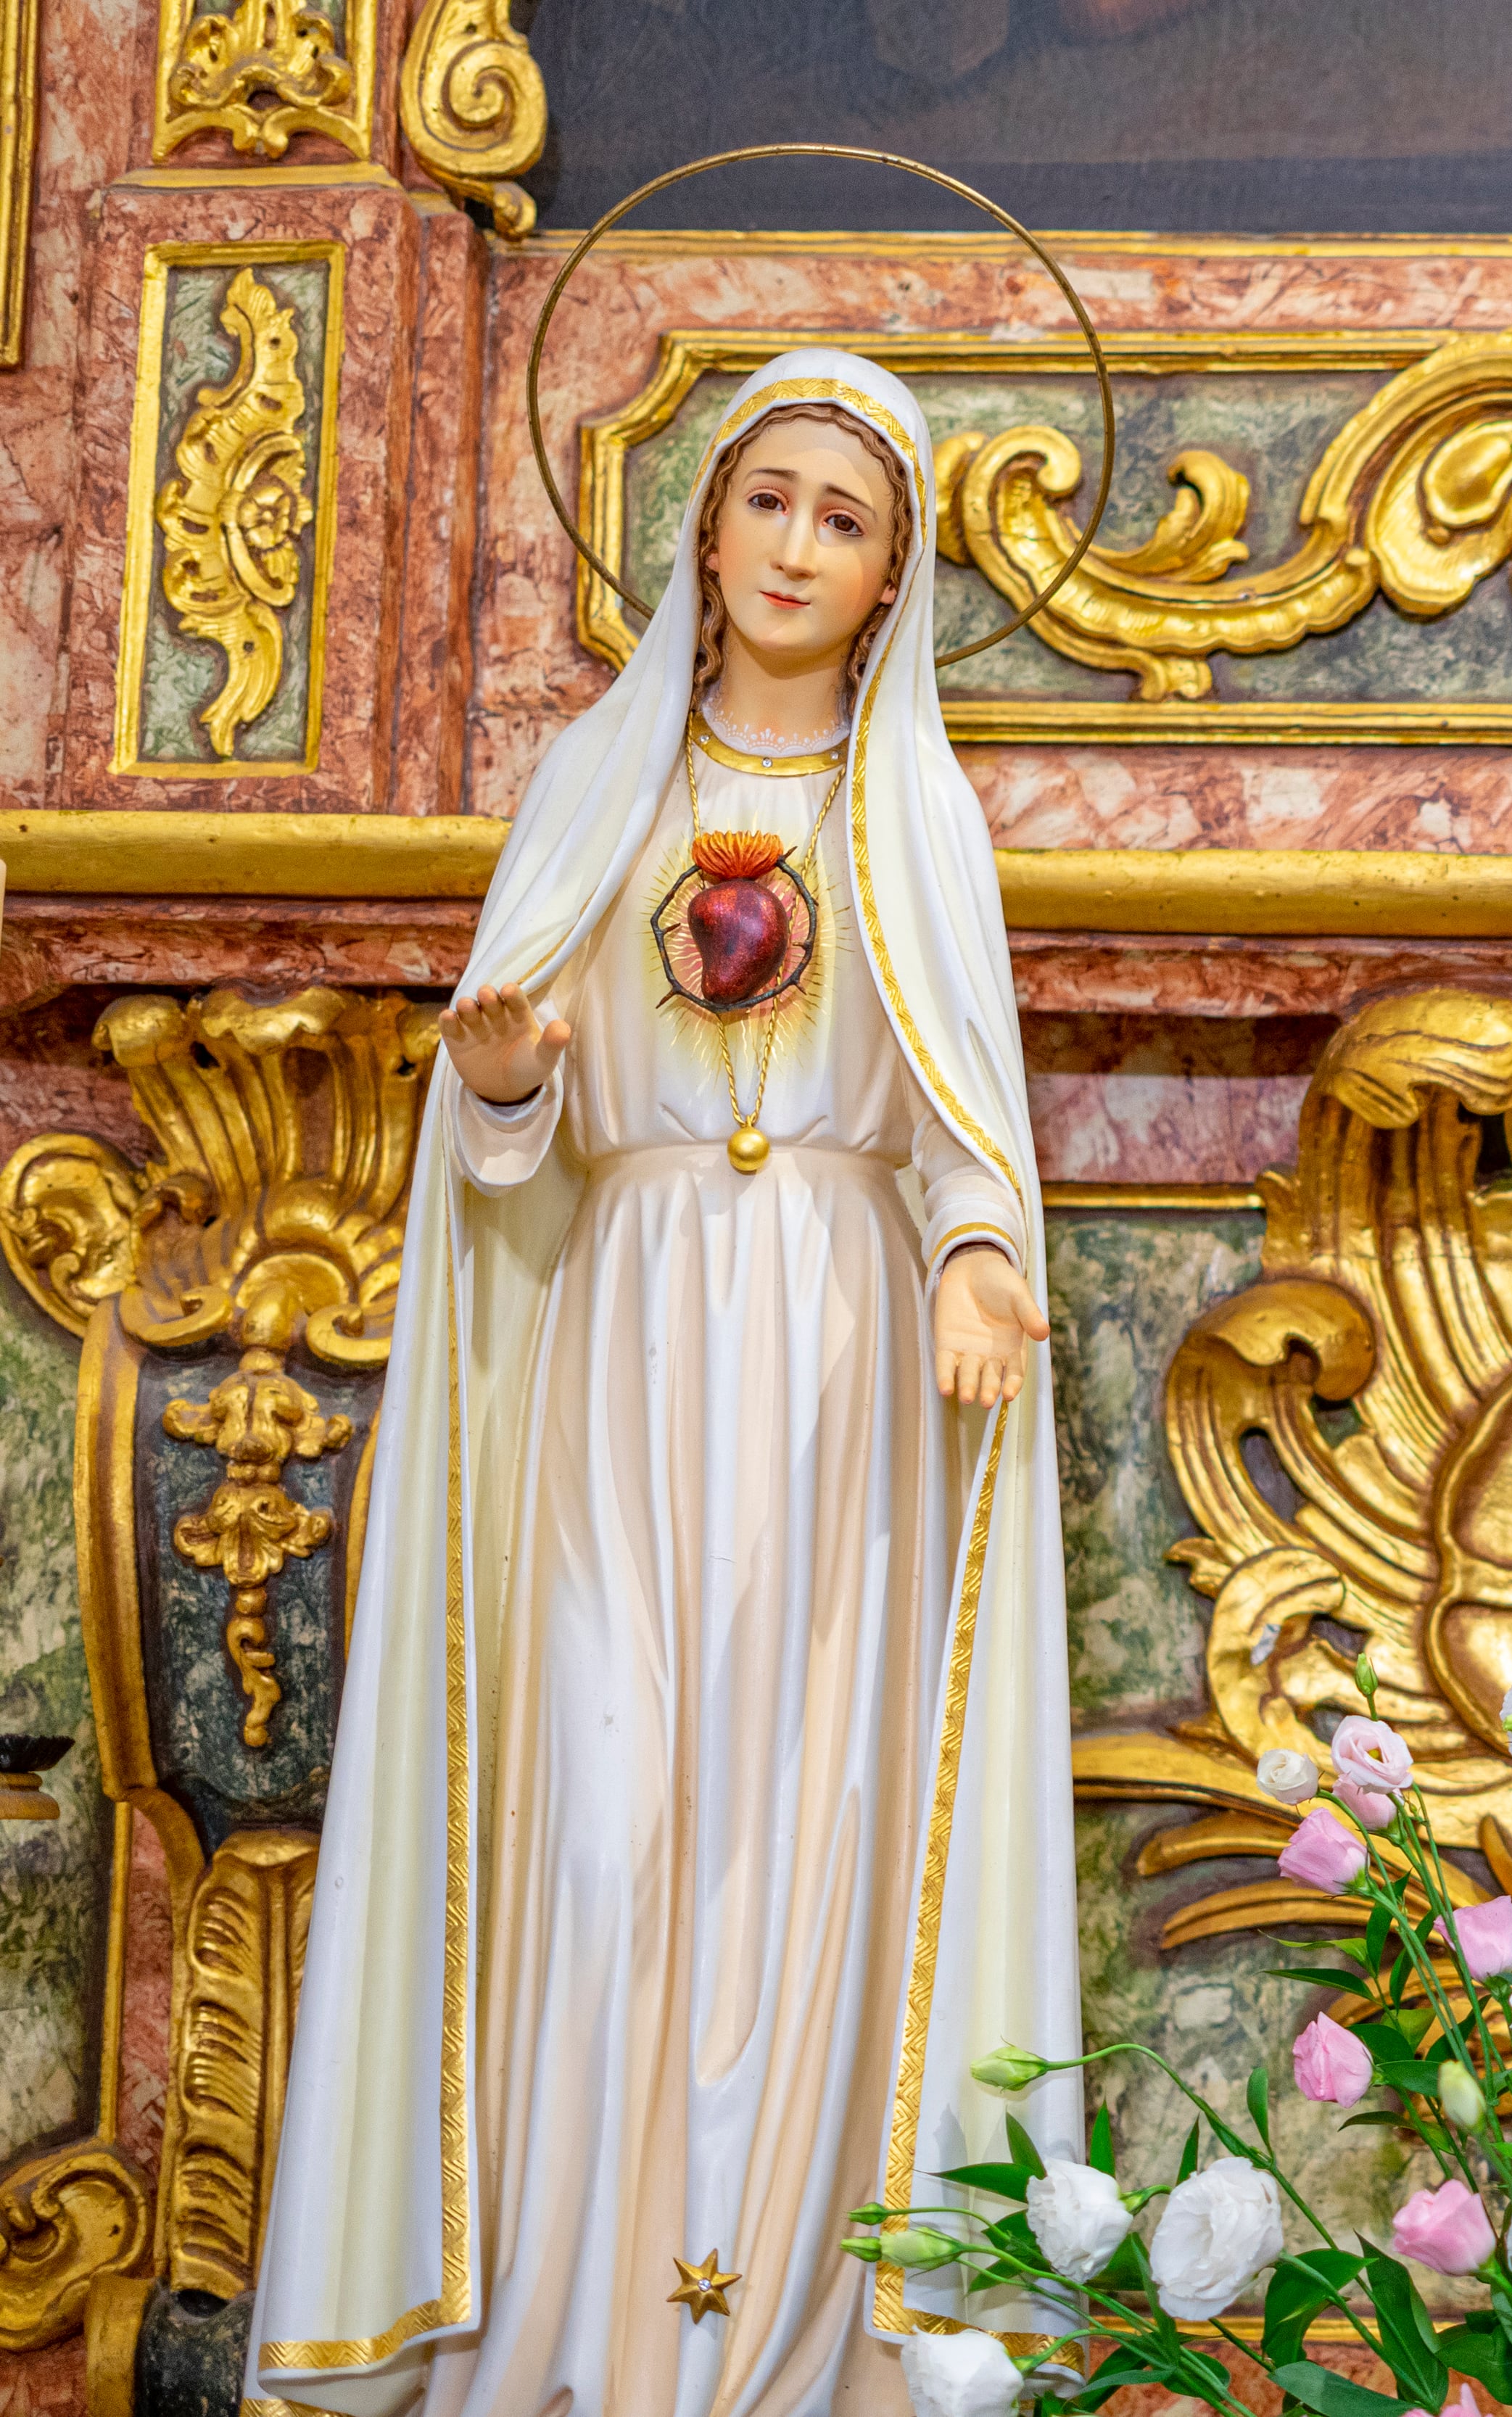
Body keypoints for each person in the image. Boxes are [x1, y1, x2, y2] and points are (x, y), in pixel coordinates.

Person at [247, 351, 1083, 2416]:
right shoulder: (589, 791)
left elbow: (963, 1109)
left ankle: (779, 2351)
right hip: (619, 1353)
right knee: (605, 1829)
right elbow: (499, 1127)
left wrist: (981, 1256)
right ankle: (575, 2335)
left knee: (804, 1841)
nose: (800, 544)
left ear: (893, 583)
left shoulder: (914, 818)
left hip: (835, 1364)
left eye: (848, 519)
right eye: (771, 500)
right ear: (704, 529)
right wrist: (512, 1082)